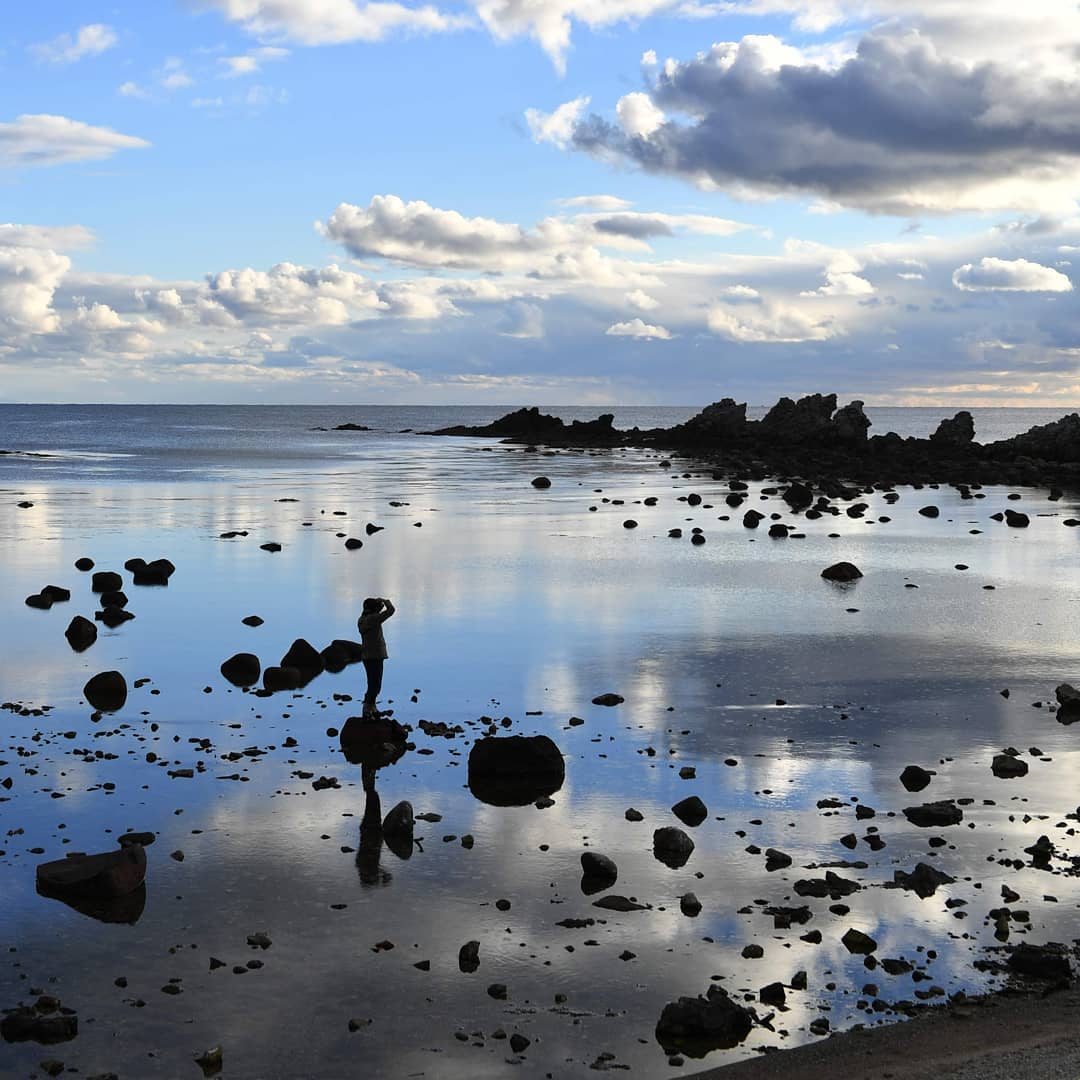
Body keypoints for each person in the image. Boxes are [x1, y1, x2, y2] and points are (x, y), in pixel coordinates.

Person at [358, 596, 394, 718]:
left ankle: (372, 708)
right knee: (375, 685)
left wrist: (377, 604)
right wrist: (385, 601)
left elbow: (378, 612)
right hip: (375, 656)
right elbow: (390, 611)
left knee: (372, 684)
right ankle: (367, 710)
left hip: (367, 656)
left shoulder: (362, 619)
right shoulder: (372, 619)